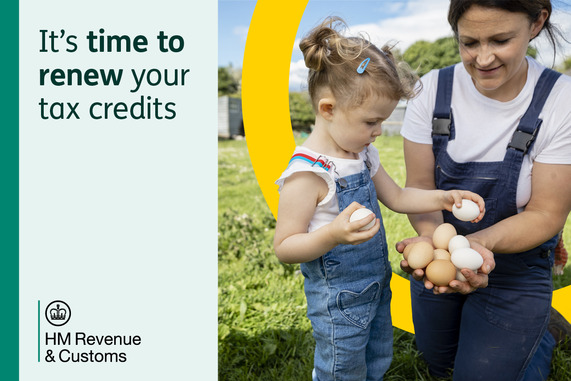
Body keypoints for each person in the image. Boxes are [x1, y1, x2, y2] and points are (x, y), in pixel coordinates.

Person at [273, 17, 486, 381]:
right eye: (371, 122)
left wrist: (444, 198)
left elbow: (399, 197)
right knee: (341, 370)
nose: (377, 133)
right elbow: (285, 246)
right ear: (328, 110)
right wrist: (331, 236)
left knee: (376, 360)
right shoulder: (308, 173)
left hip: (376, 286)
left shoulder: (362, 155)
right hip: (338, 301)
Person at [397, 1, 571, 380]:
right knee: (439, 364)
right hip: (445, 251)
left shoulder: (562, 100)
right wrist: (432, 245)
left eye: (500, 39)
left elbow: (546, 213)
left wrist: (478, 246)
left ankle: (541, 333)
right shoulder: (431, 91)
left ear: (537, 22)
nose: (483, 58)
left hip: (517, 265)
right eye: (469, 42)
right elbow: (420, 187)